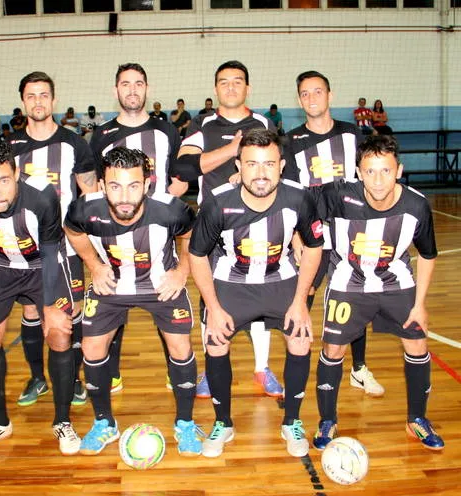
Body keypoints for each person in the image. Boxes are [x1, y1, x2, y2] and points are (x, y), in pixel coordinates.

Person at [188, 129, 323, 458]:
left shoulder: (299, 197)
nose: (260, 173)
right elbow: (196, 255)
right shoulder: (218, 202)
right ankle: (224, 423)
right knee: (216, 341)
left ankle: (291, 422)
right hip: (233, 282)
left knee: (301, 337)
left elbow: (315, 248)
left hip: (281, 280)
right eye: (251, 164)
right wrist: (214, 308)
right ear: (239, 165)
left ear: (281, 165)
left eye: (268, 164)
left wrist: (300, 302)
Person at [64, 147, 202, 457]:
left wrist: (181, 272)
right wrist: (95, 266)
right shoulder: (83, 210)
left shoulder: (172, 210)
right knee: (91, 348)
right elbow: (72, 232)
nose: (124, 196)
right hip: (110, 283)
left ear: (148, 183)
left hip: (160, 284)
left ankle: (184, 422)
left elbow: (193, 235)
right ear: (101, 186)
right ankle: (104, 423)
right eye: (114, 186)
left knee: (181, 347)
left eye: (133, 185)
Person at [311, 135, 444, 452]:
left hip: (396, 282)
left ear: (399, 170)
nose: (378, 179)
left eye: (385, 170)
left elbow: (427, 255)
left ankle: (417, 420)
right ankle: (327, 419)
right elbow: (301, 209)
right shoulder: (338, 195)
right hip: (348, 282)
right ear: (358, 172)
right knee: (333, 349)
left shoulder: (415, 205)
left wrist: (421, 304)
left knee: (416, 342)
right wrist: (303, 245)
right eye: (369, 171)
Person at [0, 138, 79, 456]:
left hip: (42, 265)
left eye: (3, 181)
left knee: (60, 331)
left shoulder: (42, 197)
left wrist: (50, 305)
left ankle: (63, 421)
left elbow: (51, 253)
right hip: (0, 265)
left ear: (17, 172)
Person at [175, 60, 281, 398]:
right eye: (224, 82)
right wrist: (231, 151)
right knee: (212, 302)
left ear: (248, 88)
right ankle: (211, 368)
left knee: (260, 298)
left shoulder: (263, 122)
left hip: (257, 224)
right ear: (216, 89)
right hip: (213, 226)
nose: (231, 87)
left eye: (238, 82)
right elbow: (186, 166)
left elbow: (279, 165)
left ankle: (262, 369)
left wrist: (249, 176)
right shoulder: (202, 122)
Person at [89, 62, 189, 394]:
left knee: (166, 298)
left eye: (139, 83)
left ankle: (174, 372)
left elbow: (179, 175)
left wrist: (169, 203)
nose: (133, 89)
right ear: (115, 90)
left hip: (158, 235)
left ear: (147, 88)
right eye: (126, 84)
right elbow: (92, 186)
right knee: (113, 303)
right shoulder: (101, 134)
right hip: (115, 236)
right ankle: (111, 373)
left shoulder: (166, 129)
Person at [283, 71, 384, 398]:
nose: (312, 98)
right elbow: (288, 193)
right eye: (305, 94)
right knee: (300, 302)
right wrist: (296, 238)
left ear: (330, 94)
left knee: (355, 299)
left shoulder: (354, 135)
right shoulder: (291, 141)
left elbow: (371, 177)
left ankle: (358, 369)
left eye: (317, 92)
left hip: (351, 235)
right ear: (299, 100)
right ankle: (294, 381)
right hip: (311, 237)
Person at [10, 71, 97, 408]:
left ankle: (72, 379)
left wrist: (96, 246)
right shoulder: (11, 146)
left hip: (65, 245)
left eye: (44, 95)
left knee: (71, 311)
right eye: (31, 95)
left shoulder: (74, 143)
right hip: (23, 247)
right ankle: (37, 378)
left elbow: (89, 195)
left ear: (54, 100)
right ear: (22, 102)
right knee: (32, 310)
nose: (38, 101)